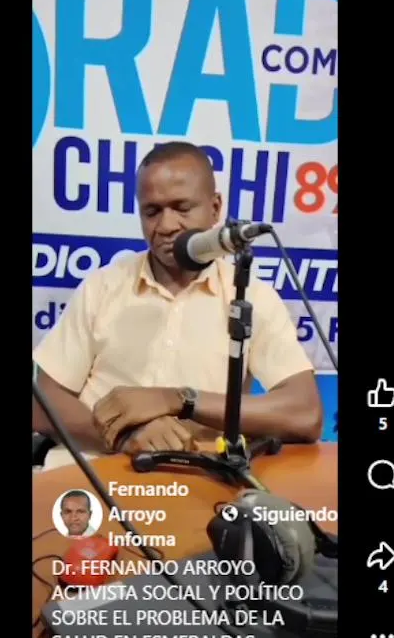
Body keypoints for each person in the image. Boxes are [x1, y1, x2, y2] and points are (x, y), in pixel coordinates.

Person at [33, 141, 322, 464]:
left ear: (215, 208)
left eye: (182, 208)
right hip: (95, 471)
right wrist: (123, 436)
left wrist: (180, 400)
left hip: (201, 476)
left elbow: (305, 414)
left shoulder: (250, 296)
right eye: (152, 212)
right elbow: (42, 403)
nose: (167, 226)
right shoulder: (102, 287)